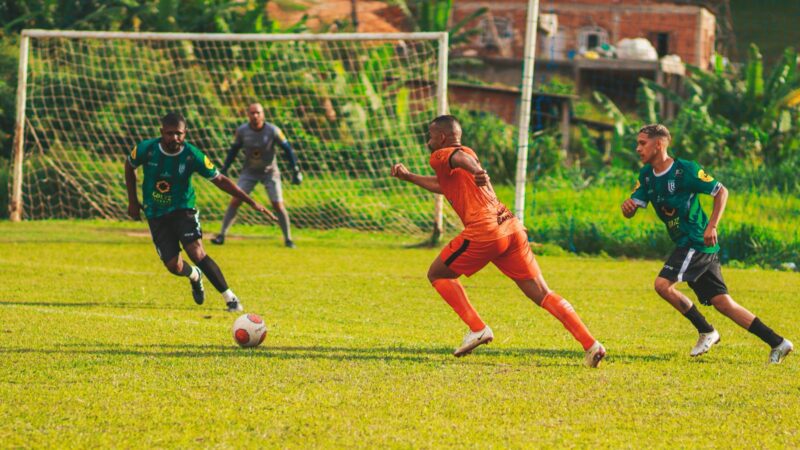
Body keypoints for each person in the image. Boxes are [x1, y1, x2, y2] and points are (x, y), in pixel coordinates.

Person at [391, 115, 606, 367]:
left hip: (485, 231)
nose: (428, 141)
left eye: (430, 136)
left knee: (438, 273)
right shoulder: (466, 154)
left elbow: (457, 158)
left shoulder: (442, 154)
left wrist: (476, 170)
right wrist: (409, 176)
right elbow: (444, 184)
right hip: (510, 227)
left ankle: (477, 328)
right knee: (542, 293)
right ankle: (591, 344)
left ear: (441, 137)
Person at [621, 124, 793, 363]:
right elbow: (632, 208)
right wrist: (627, 208)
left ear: (658, 144)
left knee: (662, 285)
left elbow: (721, 191)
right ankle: (778, 342)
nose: (638, 148)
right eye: (638, 143)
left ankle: (706, 330)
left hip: (696, 241)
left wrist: (712, 226)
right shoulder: (646, 176)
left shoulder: (686, 170)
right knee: (723, 303)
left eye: (642, 143)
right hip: (691, 244)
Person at [125, 112, 274, 312]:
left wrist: (251, 201)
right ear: (161, 132)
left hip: (183, 209)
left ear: (185, 133)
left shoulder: (192, 155)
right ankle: (195, 275)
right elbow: (129, 166)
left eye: (178, 133)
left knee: (196, 251)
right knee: (174, 266)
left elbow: (220, 180)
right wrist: (133, 201)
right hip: (156, 213)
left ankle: (230, 298)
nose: (174, 138)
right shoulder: (146, 149)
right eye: (169, 133)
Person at [211, 103, 303, 247]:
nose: (255, 116)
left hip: (270, 172)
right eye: (252, 113)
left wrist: (295, 169)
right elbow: (234, 150)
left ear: (263, 114)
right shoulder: (242, 131)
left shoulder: (273, 130)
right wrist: (225, 168)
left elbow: (287, 149)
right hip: (249, 171)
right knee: (235, 201)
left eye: (258, 113)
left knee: (278, 205)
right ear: (248, 115)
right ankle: (221, 235)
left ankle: (288, 239)